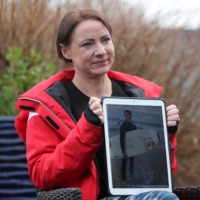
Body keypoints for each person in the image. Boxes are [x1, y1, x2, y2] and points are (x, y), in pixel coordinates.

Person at [14, 8, 180, 200]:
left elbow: (164, 173)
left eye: (105, 40)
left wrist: (167, 136)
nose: (101, 51)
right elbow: (43, 177)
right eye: (87, 44)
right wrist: (88, 128)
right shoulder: (47, 107)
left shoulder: (139, 96)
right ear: (65, 51)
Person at [120, 109, 137, 185]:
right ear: (124, 116)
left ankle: (131, 176)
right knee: (124, 164)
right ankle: (123, 179)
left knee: (132, 163)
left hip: (132, 148)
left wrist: (137, 149)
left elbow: (136, 139)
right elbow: (121, 139)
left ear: (131, 116)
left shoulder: (134, 126)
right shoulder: (123, 126)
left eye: (129, 115)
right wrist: (123, 151)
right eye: (127, 115)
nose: (128, 116)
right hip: (125, 148)